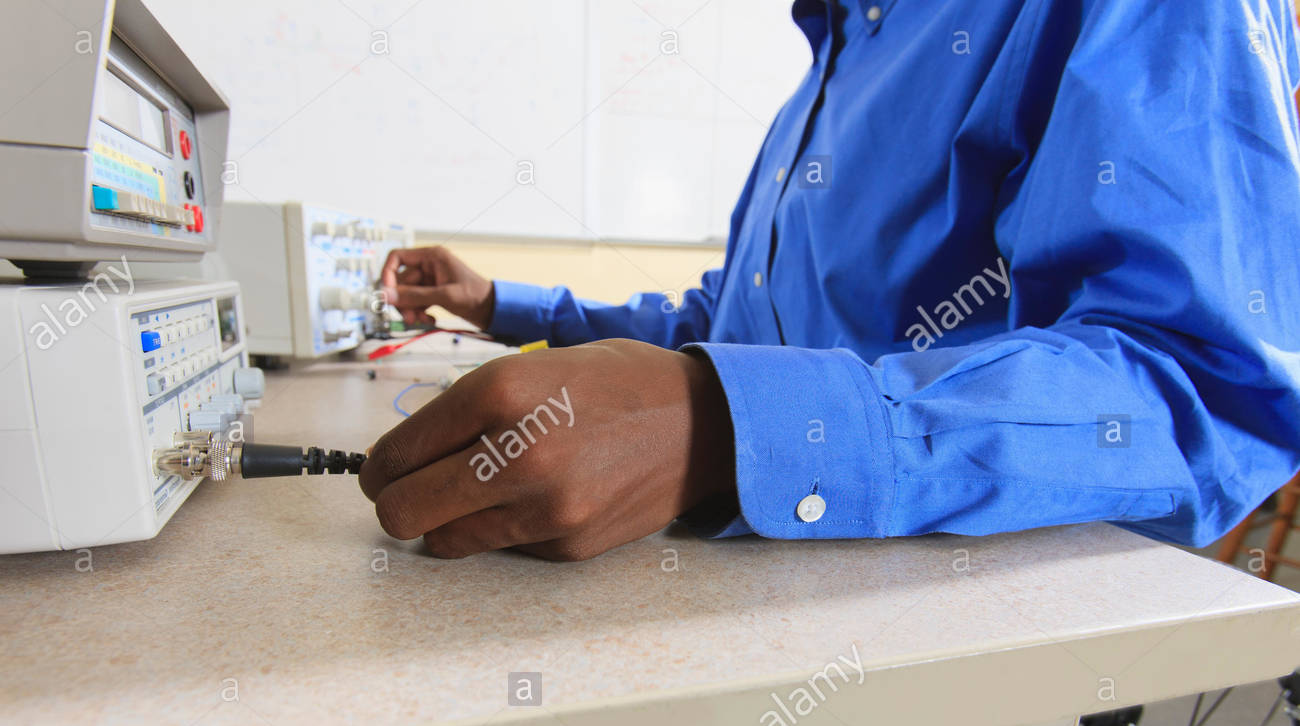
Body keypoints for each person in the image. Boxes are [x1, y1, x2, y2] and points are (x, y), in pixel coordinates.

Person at [359, 0, 1300, 562]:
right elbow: (724, 323)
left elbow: (1204, 390)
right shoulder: (825, 77)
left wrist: (734, 427)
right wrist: (500, 305)